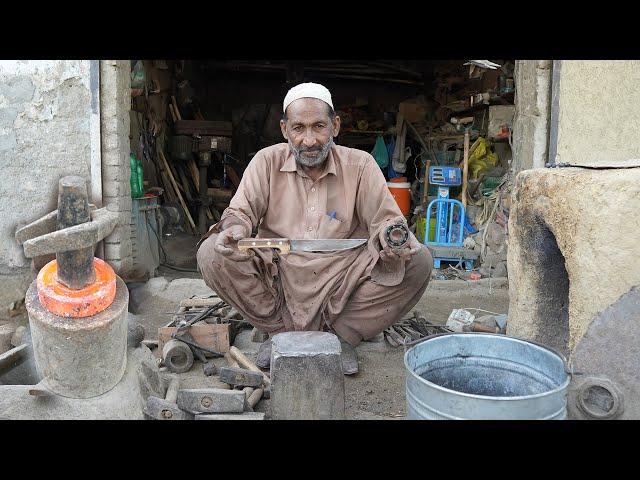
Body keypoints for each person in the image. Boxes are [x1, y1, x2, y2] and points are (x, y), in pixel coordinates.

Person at [197, 82, 432, 373]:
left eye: (318, 126)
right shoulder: (266, 162)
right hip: (278, 276)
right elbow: (239, 213)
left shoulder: (360, 165)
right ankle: (280, 333)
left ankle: (340, 336)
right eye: (299, 128)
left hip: (344, 277)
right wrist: (234, 229)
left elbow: (386, 220)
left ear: (335, 126)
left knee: (420, 262)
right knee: (211, 253)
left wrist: (394, 240)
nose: (309, 140)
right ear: (284, 130)